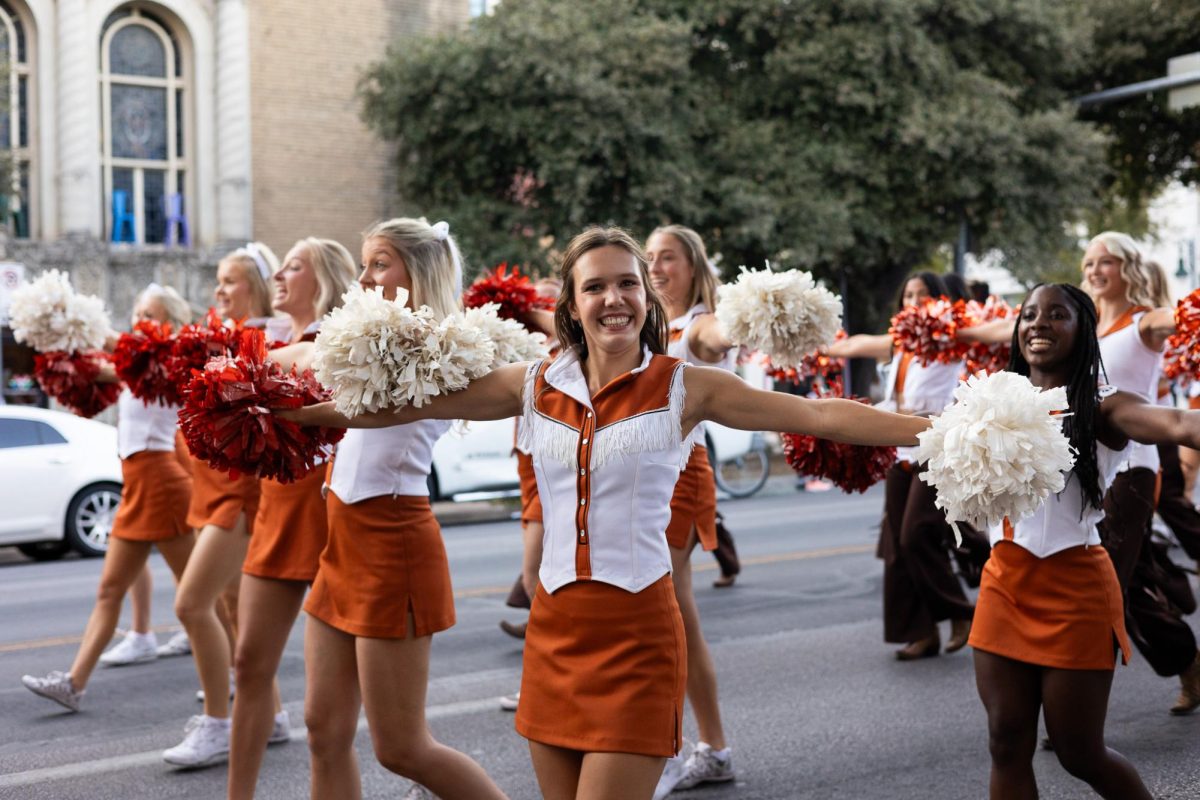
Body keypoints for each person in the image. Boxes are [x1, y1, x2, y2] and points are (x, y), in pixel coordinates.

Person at [283, 226, 928, 799]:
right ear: (571, 304)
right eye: (596, 287)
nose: (613, 299)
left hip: (639, 638)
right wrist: (278, 411)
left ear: (647, 298)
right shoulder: (532, 383)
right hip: (554, 638)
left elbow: (818, 415)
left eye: (628, 284)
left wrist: (941, 428)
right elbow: (401, 405)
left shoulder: (686, 386)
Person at [292, 219, 508, 800]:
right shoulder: (368, 337)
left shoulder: (445, 349)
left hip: (393, 545)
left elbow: (377, 412)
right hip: (342, 545)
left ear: (421, 272)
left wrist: (297, 412)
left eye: (379, 263)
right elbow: (306, 354)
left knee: (402, 748)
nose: (363, 277)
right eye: (365, 264)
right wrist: (242, 366)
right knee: (322, 730)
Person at [967, 281, 1200, 799]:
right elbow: (916, 428)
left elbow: (1180, 421)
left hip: (1076, 590)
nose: (1038, 324)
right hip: (1004, 584)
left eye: (1056, 314)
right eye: (1028, 315)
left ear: (1083, 329)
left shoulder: (1105, 406)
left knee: (1079, 753)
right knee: (1005, 741)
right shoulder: (989, 400)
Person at [21, 285, 195, 711]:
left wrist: (74, 317)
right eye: (136, 313)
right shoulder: (133, 366)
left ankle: (249, 682)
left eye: (150, 315)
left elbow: (110, 357)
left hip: (163, 484)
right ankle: (73, 684)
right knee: (109, 589)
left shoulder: (168, 360)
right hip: (138, 484)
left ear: (170, 323)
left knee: (199, 597)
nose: (140, 322)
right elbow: (96, 369)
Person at [226, 238, 357, 799]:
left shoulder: (342, 341)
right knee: (250, 663)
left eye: (294, 265)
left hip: (335, 517)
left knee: (341, 707)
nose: (279, 273)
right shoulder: (276, 343)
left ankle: (416, 768)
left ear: (324, 278)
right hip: (279, 513)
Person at [164, 243, 278, 768]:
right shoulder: (220, 337)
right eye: (218, 280)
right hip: (209, 485)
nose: (219, 290)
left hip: (240, 494)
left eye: (229, 280)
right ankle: (270, 713)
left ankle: (218, 723)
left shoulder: (269, 341)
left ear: (255, 282)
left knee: (191, 605)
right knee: (230, 609)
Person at [828, 272, 974, 659]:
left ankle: (962, 612)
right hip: (900, 450)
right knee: (895, 547)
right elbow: (857, 343)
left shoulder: (950, 338)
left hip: (936, 449)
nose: (914, 301)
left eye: (923, 295)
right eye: (908, 294)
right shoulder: (899, 345)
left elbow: (987, 334)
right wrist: (821, 346)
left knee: (916, 534)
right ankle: (922, 633)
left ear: (941, 300)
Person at [643, 224, 738, 797]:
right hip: (639, 475)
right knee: (673, 612)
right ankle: (710, 746)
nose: (656, 267)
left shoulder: (697, 325)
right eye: (649, 257)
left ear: (693, 266)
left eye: (668, 258)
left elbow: (719, 337)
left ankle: (687, 747)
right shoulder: (647, 325)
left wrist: (744, 324)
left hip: (680, 476)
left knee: (670, 611)